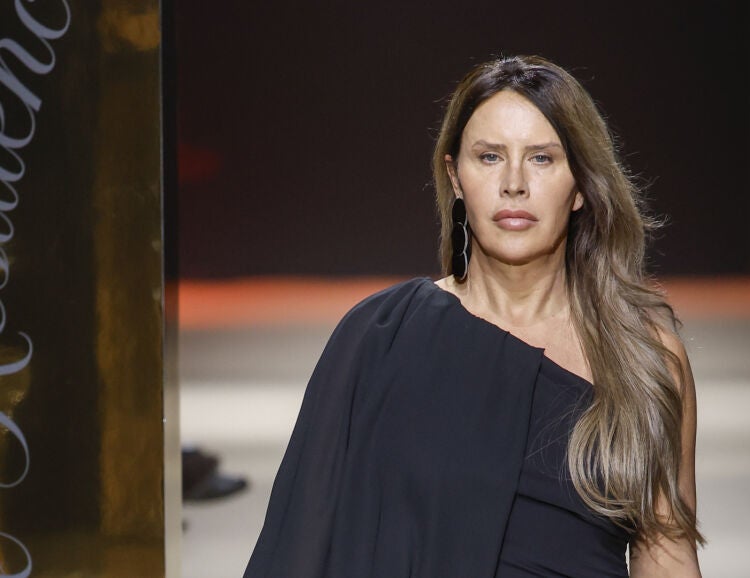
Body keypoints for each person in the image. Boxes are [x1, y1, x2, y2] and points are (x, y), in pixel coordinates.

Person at [244, 54, 703, 577]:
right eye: (489, 157)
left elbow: (665, 552)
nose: (514, 183)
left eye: (542, 158)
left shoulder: (645, 358)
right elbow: (302, 544)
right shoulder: (382, 338)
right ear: (455, 176)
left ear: (580, 184)